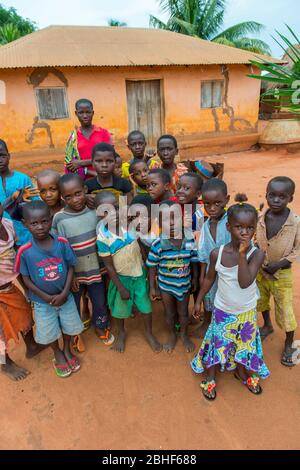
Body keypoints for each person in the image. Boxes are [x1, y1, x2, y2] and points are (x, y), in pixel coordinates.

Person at [192, 196, 270, 401]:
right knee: (218, 343)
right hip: (222, 311)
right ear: (229, 227)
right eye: (238, 227)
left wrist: (242, 255)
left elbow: (245, 282)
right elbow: (209, 278)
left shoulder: (256, 254)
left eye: (250, 228)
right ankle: (210, 377)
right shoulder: (217, 254)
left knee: (245, 344)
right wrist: (199, 299)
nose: (245, 232)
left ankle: (241, 372)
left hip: (246, 311)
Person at [15, 201, 84, 378]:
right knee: (48, 330)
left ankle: (67, 348)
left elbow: (70, 267)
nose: (40, 227)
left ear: (51, 220)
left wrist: (65, 292)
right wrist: (45, 296)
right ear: (25, 224)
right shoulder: (25, 251)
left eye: (44, 221)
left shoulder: (61, 243)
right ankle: (57, 352)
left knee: (70, 326)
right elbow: (26, 279)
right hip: (42, 303)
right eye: (34, 223)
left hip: (65, 297)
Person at [96, 191, 161, 354]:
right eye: (106, 211)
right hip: (121, 279)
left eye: (117, 208)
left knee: (146, 307)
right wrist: (121, 287)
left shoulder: (131, 226)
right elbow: (109, 267)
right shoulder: (103, 237)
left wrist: (150, 272)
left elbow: (142, 248)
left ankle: (148, 332)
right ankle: (121, 333)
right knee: (120, 309)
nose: (114, 214)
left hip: (139, 275)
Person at [52, 174, 114, 346]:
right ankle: (74, 331)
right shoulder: (59, 218)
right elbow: (59, 249)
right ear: (63, 198)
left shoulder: (95, 212)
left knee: (99, 300)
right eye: (68, 197)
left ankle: (100, 325)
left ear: (85, 191)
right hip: (75, 273)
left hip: (97, 269)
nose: (74, 199)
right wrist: (69, 277)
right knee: (74, 303)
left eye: (78, 193)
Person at [256, 176, 300, 367]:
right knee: (261, 300)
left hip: (282, 273)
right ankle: (267, 325)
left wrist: (280, 263)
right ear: (266, 195)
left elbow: (297, 250)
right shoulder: (260, 218)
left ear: (290, 198)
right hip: (260, 270)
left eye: (282, 197)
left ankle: (289, 343)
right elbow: (255, 241)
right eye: (272, 195)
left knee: (285, 309)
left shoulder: (296, 222)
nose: (276, 200)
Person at [147, 201, 198, 353]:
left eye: (174, 218)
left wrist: (195, 278)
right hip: (165, 286)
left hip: (185, 284)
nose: (170, 223)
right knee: (169, 313)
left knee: (183, 313)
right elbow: (152, 266)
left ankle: (183, 334)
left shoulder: (189, 239)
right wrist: (152, 287)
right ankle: (171, 335)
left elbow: (194, 261)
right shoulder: (158, 244)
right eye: (165, 220)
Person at [0, 203, 39, 381]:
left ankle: (31, 346)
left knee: (24, 312)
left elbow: (17, 253)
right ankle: (4, 363)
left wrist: (26, 286)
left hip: (9, 285)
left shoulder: (7, 224)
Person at [192, 179, 231, 338]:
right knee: (208, 298)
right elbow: (203, 252)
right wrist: (201, 276)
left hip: (228, 273)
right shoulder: (206, 225)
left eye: (217, 203)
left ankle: (225, 328)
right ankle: (207, 323)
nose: (212, 208)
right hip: (209, 273)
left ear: (227, 200)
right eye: (207, 204)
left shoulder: (231, 222)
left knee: (226, 302)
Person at [0, 139, 39, 246]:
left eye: (2, 155)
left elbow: (36, 206)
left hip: (24, 234)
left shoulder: (22, 179)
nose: (0, 160)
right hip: (3, 239)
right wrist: (13, 199)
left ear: (9, 156)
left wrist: (24, 202)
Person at [64, 99, 112, 180]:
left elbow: (110, 157)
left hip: (104, 178)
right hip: (82, 180)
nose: (85, 116)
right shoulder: (73, 137)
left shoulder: (103, 133)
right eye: (81, 112)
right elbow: (70, 163)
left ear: (93, 113)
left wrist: (81, 163)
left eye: (88, 112)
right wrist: (87, 171)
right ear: (76, 113)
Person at [176, 172, 204, 242]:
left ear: (198, 194)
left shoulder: (203, 214)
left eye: (186, 188)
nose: (180, 191)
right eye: (179, 187)